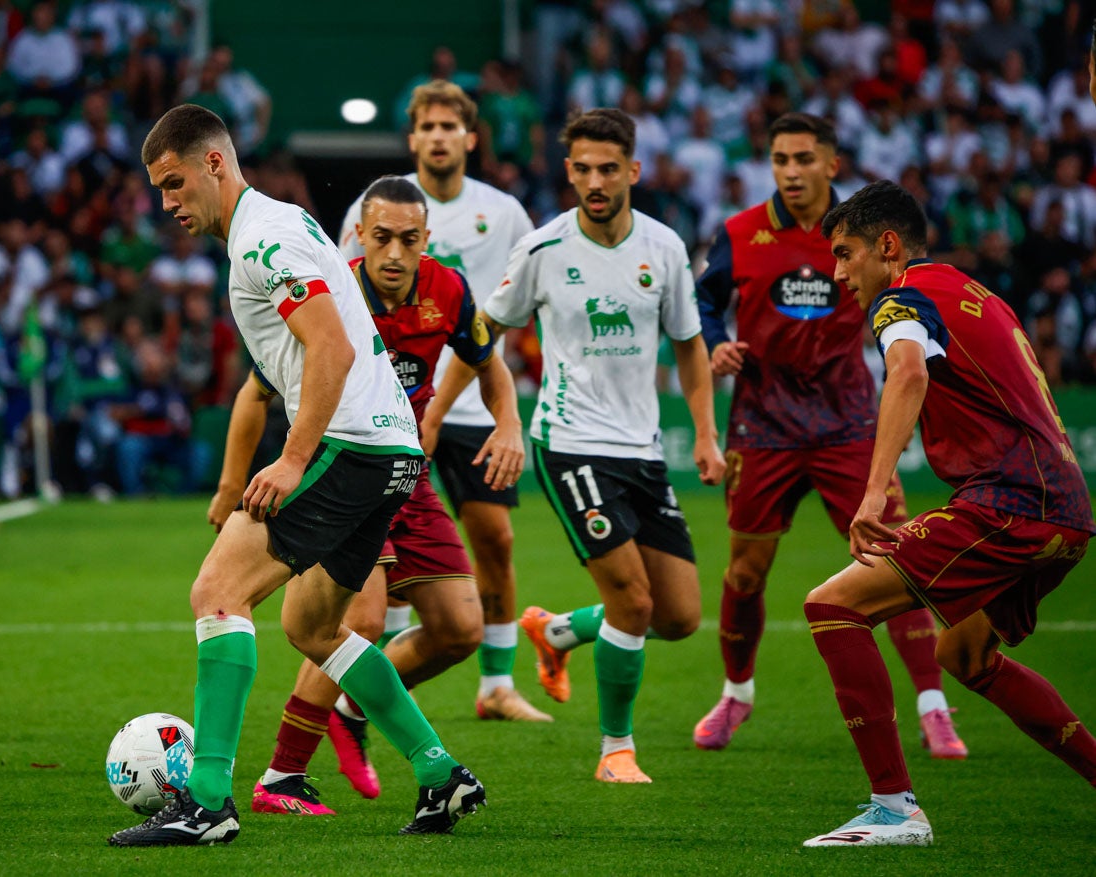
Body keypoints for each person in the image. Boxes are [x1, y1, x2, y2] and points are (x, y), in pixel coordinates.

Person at [109, 105, 484, 847]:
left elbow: (332, 348)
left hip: (347, 446)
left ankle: (207, 799)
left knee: (217, 592)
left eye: (175, 183)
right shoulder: (277, 223)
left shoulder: (262, 238)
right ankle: (440, 773)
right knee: (311, 626)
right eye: (158, 190)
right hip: (390, 453)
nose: (167, 203)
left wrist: (291, 457)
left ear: (214, 163)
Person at [213, 175, 524, 817]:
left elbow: (485, 362)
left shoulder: (447, 290)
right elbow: (258, 389)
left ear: (426, 241)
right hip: (378, 459)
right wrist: (229, 484)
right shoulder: (335, 280)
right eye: (381, 237)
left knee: (456, 627)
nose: (393, 253)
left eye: (409, 240)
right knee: (332, 623)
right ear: (359, 235)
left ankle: (220, 795)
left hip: (368, 461)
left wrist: (509, 422)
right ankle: (318, 771)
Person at [802, 179, 1095, 847]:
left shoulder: (900, 298)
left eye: (845, 254)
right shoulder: (975, 294)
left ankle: (891, 809)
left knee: (832, 605)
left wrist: (872, 491)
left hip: (1009, 501)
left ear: (886, 246)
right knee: (963, 653)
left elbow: (906, 373)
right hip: (1066, 511)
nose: (838, 272)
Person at [682, 112, 966, 757]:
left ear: (831, 165)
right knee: (747, 573)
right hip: (764, 424)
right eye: (780, 158)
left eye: (804, 158)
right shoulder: (739, 233)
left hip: (848, 422)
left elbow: (914, 296)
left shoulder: (859, 232)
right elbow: (700, 300)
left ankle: (932, 704)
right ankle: (736, 695)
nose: (790, 171)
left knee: (893, 559)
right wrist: (719, 342)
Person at [469, 109, 725, 783]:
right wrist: (502, 416)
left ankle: (557, 631)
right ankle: (616, 750)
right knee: (633, 604)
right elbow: (480, 331)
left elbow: (690, 345)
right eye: (581, 168)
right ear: (568, 172)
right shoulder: (544, 249)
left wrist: (703, 432)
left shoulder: (664, 247)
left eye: (608, 168)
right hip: (569, 443)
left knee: (677, 616)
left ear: (633, 171)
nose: (594, 180)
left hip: (641, 449)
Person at [338, 79, 546, 722]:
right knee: (388, 570)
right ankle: (379, 677)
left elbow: (512, 305)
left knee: (495, 541)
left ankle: (497, 685)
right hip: (392, 409)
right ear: (412, 138)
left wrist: (504, 405)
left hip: (473, 406)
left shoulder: (505, 211)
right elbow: (345, 306)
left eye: (449, 127)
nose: (437, 136)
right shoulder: (373, 206)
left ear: (470, 138)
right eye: (426, 126)